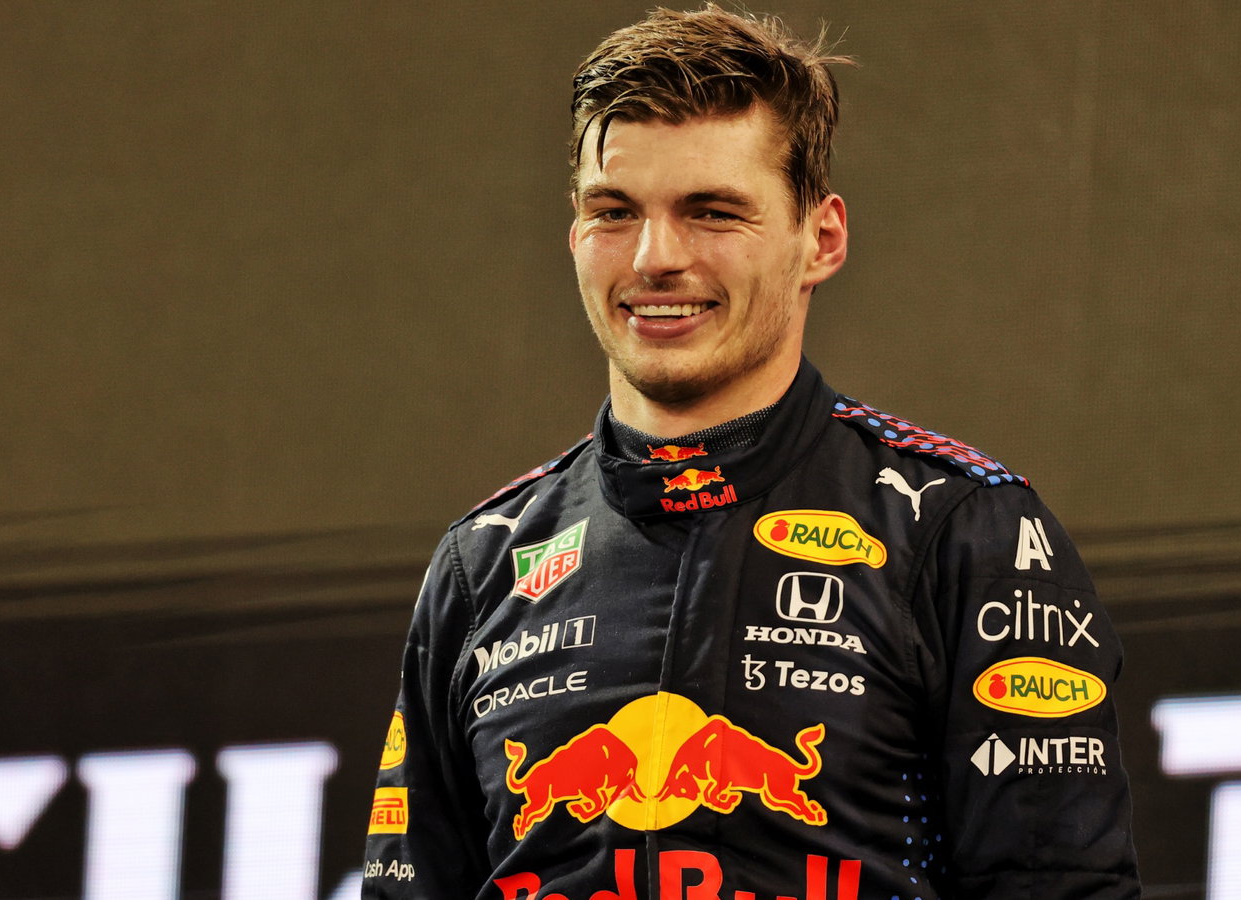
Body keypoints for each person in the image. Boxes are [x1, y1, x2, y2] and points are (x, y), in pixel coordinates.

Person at [364, 6, 1140, 898]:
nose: (656, 258)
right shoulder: (481, 563)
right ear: (575, 234)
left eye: (712, 212)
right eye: (613, 210)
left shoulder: (966, 532)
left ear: (822, 238)